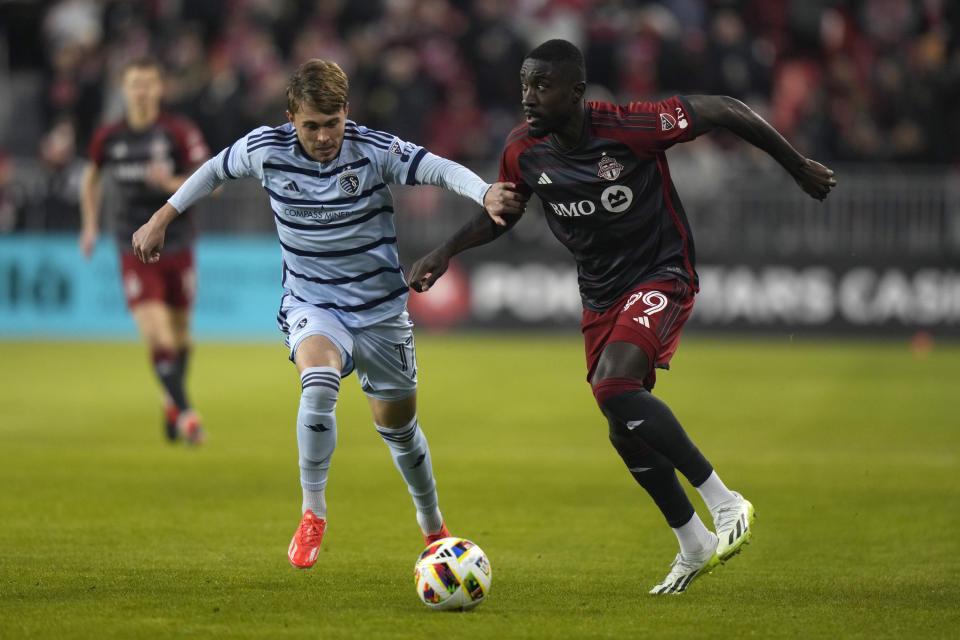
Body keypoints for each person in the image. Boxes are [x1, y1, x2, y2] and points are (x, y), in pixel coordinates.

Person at [408, 39, 836, 594]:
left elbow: (726, 109)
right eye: (524, 86)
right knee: (621, 426)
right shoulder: (524, 150)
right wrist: (446, 251)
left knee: (614, 385)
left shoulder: (633, 126)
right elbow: (505, 213)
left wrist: (796, 165)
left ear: (577, 92)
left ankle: (725, 502)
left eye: (542, 86)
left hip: (662, 271)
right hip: (600, 295)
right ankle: (693, 542)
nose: (528, 97)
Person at [131, 59, 526, 568]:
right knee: (318, 383)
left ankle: (433, 528)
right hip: (313, 303)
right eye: (310, 126)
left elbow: (437, 167)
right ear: (291, 117)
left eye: (332, 123)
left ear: (347, 112)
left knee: (400, 431)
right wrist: (162, 216)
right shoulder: (264, 149)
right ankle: (313, 511)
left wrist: (485, 191)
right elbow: (211, 171)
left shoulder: (373, 150)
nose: (322, 136)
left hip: (381, 312)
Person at [81, 57, 210, 444]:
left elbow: (213, 180)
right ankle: (186, 413)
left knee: (181, 336)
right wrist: (89, 225)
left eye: (148, 84)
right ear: (125, 88)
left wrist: (168, 180)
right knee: (157, 336)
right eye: (134, 84)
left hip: (179, 243)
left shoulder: (177, 132)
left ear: (159, 88)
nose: (141, 91)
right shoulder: (109, 137)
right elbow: (91, 179)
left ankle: (171, 401)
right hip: (131, 244)